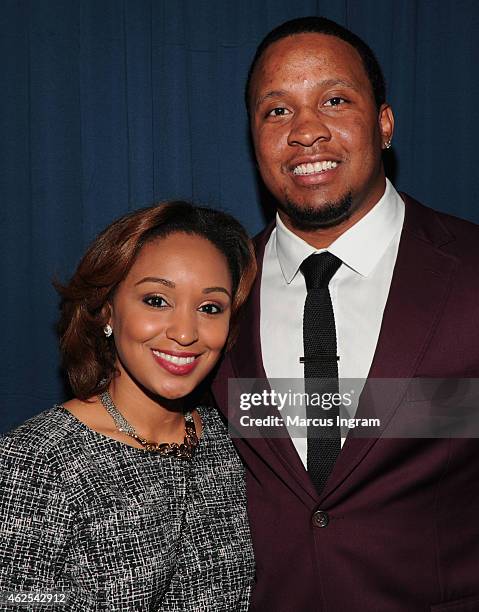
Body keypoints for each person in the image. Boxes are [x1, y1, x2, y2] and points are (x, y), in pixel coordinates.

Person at [212, 16, 479, 612]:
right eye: (276, 111)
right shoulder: (215, 295)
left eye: (334, 100)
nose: (306, 131)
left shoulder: (471, 271)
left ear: (384, 124)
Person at [0, 201, 256, 611]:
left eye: (210, 308)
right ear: (107, 311)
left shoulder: (232, 441)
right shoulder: (37, 462)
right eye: (157, 300)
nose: (186, 333)